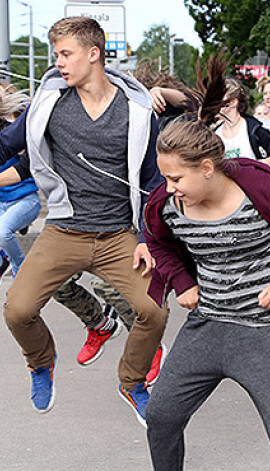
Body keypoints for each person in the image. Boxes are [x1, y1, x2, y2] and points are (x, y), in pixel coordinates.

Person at [143, 56, 270, 470]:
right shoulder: (169, 205)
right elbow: (156, 242)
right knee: (160, 417)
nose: (168, 189)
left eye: (176, 179)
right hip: (206, 329)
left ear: (207, 169)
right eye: (165, 179)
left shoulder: (263, 190)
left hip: (264, 334)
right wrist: (179, 280)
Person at [0, 17, 167, 425]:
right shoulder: (49, 104)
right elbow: (7, 144)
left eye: (65, 54)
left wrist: (147, 237)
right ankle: (42, 362)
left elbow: (152, 183)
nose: (58, 63)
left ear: (94, 54)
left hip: (117, 235)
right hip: (63, 230)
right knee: (18, 311)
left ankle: (132, 382)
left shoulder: (137, 114)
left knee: (155, 312)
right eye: (56, 54)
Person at [0, 85, 41, 278]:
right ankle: (3, 256)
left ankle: (19, 269)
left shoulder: (16, 127)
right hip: (2, 202)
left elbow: (24, 163)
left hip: (24, 199)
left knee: (3, 232)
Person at [214, 77, 270, 160]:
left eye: (218, 97)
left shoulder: (254, 129)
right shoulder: (215, 134)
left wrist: (260, 165)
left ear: (233, 102)